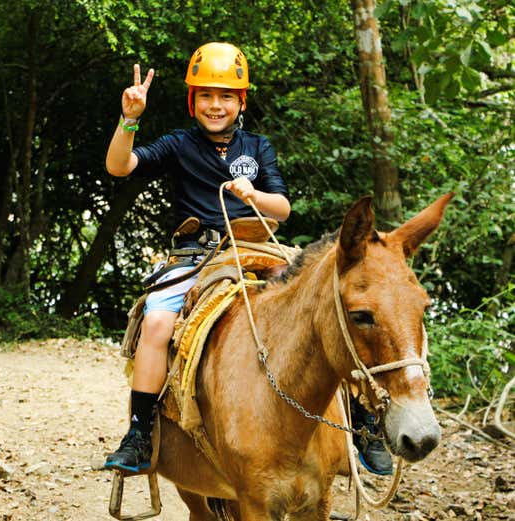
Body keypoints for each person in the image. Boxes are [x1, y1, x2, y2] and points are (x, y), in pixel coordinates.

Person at [103, 42, 391, 476]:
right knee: (157, 322)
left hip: (259, 249)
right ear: (192, 101)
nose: (215, 105)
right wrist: (130, 119)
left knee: (328, 306)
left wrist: (255, 195)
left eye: (225, 96)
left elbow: (283, 208)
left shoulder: (257, 147)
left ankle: (361, 419)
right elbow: (120, 166)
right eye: (205, 95)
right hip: (197, 255)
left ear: (241, 102)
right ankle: (139, 433)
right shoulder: (179, 144)